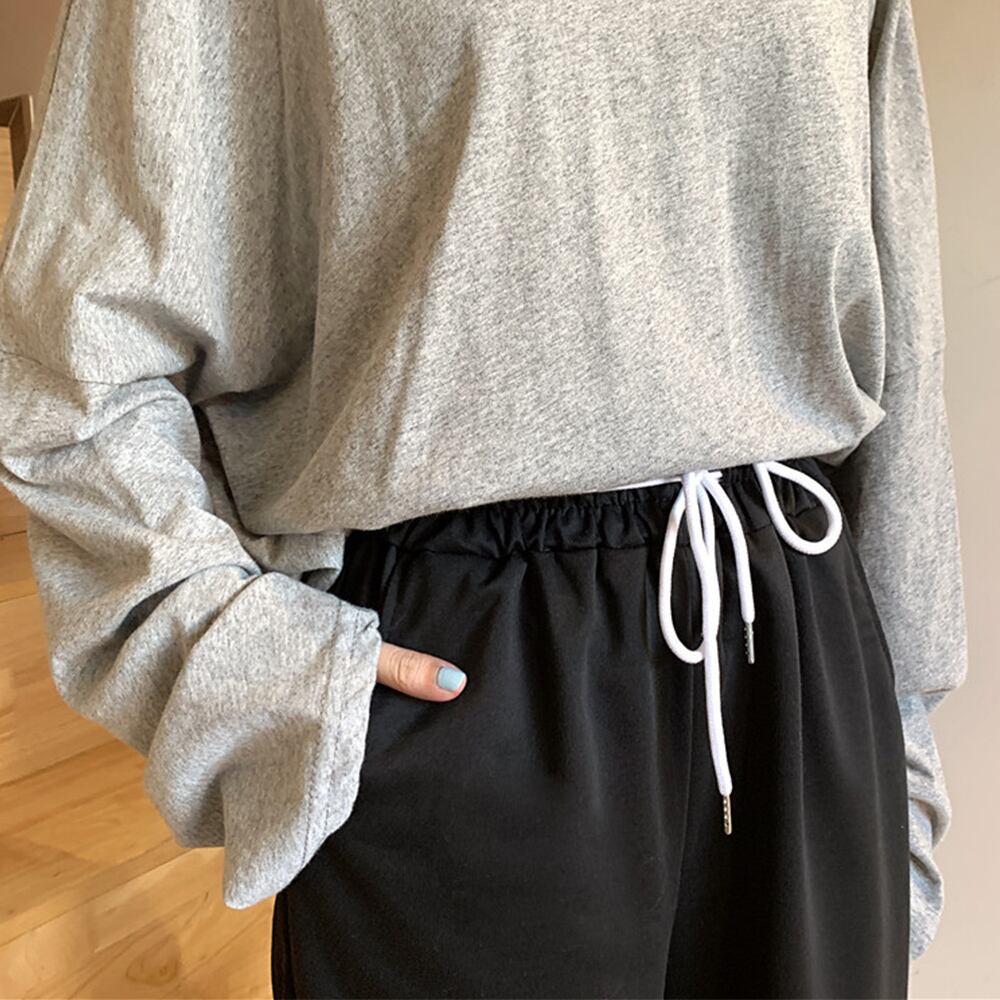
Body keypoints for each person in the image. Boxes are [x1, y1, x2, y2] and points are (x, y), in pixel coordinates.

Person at [0, 0, 968, 997]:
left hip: (797, 650)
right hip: (467, 675)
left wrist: (897, 731)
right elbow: (70, 360)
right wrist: (240, 658)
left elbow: (900, 328)